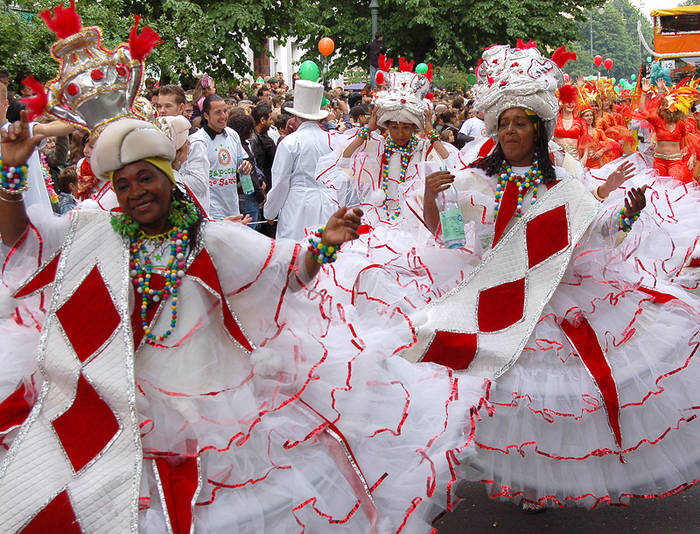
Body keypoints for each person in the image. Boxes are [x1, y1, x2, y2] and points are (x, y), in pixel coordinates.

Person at [0, 113, 490, 533]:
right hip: (117, 392)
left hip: (209, 400)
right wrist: (10, 172)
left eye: (145, 178)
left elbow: (284, 272)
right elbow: (24, 241)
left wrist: (325, 245)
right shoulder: (94, 234)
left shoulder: (210, 239)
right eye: (122, 184)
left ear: (169, 178)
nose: (135, 193)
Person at [415, 43, 700, 510]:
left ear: (538, 130)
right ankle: (511, 471)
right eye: (503, 122)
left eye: (520, 122)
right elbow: (448, 239)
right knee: (500, 392)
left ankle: (541, 483)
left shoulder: (562, 185)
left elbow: (600, 233)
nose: (510, 130)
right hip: (495, 298)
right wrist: (431, 199)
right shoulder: (472, 182)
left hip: (552, 297)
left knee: (550, 396)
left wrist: (625, 215)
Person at [263, 80, 339, 240]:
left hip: (299, 206)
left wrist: (270, 211)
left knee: (296, 251)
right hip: (327, 204)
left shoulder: (290, 142)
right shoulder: (332, 139)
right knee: (324, 252)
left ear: (295, 116)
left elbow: (281, 181)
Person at [189, 95, 250, 219]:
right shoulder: (197, 141)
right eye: (218, 113)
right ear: (206, 115)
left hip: (233, 208)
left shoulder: (233, 135)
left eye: (225, 111)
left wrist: (247, 166)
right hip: (211, 212)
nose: (223, 116)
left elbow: (241, 161)